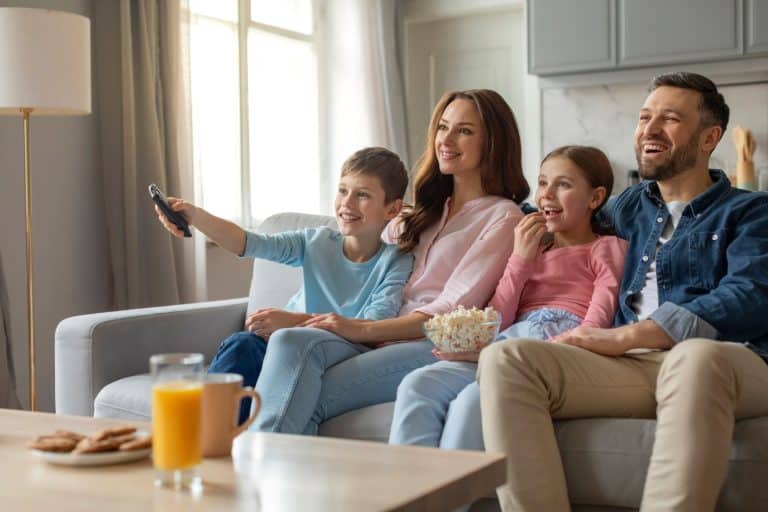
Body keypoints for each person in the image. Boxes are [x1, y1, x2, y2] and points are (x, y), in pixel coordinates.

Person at [478, 72, 768, 512]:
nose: (648, 130)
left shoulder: (750, 211)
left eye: (668, 119)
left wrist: (630, 335)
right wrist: (430, 216)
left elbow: (749, 294)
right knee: (506, 358)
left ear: (710, 137)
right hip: (633, 367)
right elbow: (560, 207)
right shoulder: (630, 206)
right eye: (644, 117)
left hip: (726, 360)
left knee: (694, 357)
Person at [251, 89, 530, 435]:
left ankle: (257, 469)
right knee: (289, 341)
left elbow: (451, 309)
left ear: (493, 143)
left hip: (426, 343)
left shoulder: (502, 217)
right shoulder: (418, 214)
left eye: (465, 130)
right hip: (374, 333)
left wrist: (360, 329)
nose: (446, 139)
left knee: (304, 393)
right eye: (443, 127)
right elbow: (365, 264)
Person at [389, 145, 627, 451]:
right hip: (509, 337)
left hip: (556, 344)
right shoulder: (533, 248)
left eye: (563, 185)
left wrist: (496, 352)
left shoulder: (607, 248)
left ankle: (446, 498)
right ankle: (407, 496)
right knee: (417, 384)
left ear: (595, 198)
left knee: (472, 402)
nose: (547, 195)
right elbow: (499, 316)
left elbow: (595, 324)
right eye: (543, 183)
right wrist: (520, 258)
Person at [155, 146, 413, 423]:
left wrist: (295, 321)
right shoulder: (315, 241)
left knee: (259, 349)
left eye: (362, 195)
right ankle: (208, 436)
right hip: (279, 344)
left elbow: (373, 325)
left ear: (392, 209)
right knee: (241, 346)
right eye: (342, 190)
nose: (346, 204)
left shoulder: (396, 260)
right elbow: (248, 242)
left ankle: (208, 438)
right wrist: (195, 216)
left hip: (333, 351)